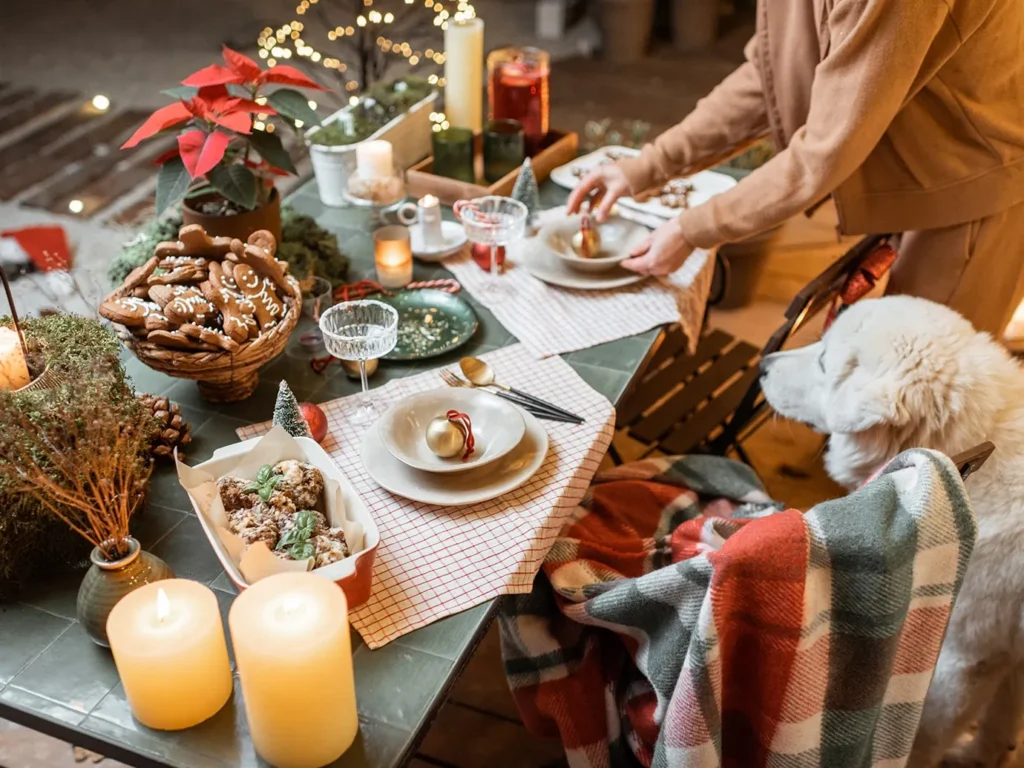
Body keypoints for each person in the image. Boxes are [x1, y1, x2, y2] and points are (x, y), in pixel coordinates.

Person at [568, 0, 1024, 337]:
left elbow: (825, 151)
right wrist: (647, 166)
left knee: (925, 397)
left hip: (981, 180)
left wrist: (693, 229)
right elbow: (767, 73)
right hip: (923, 165)